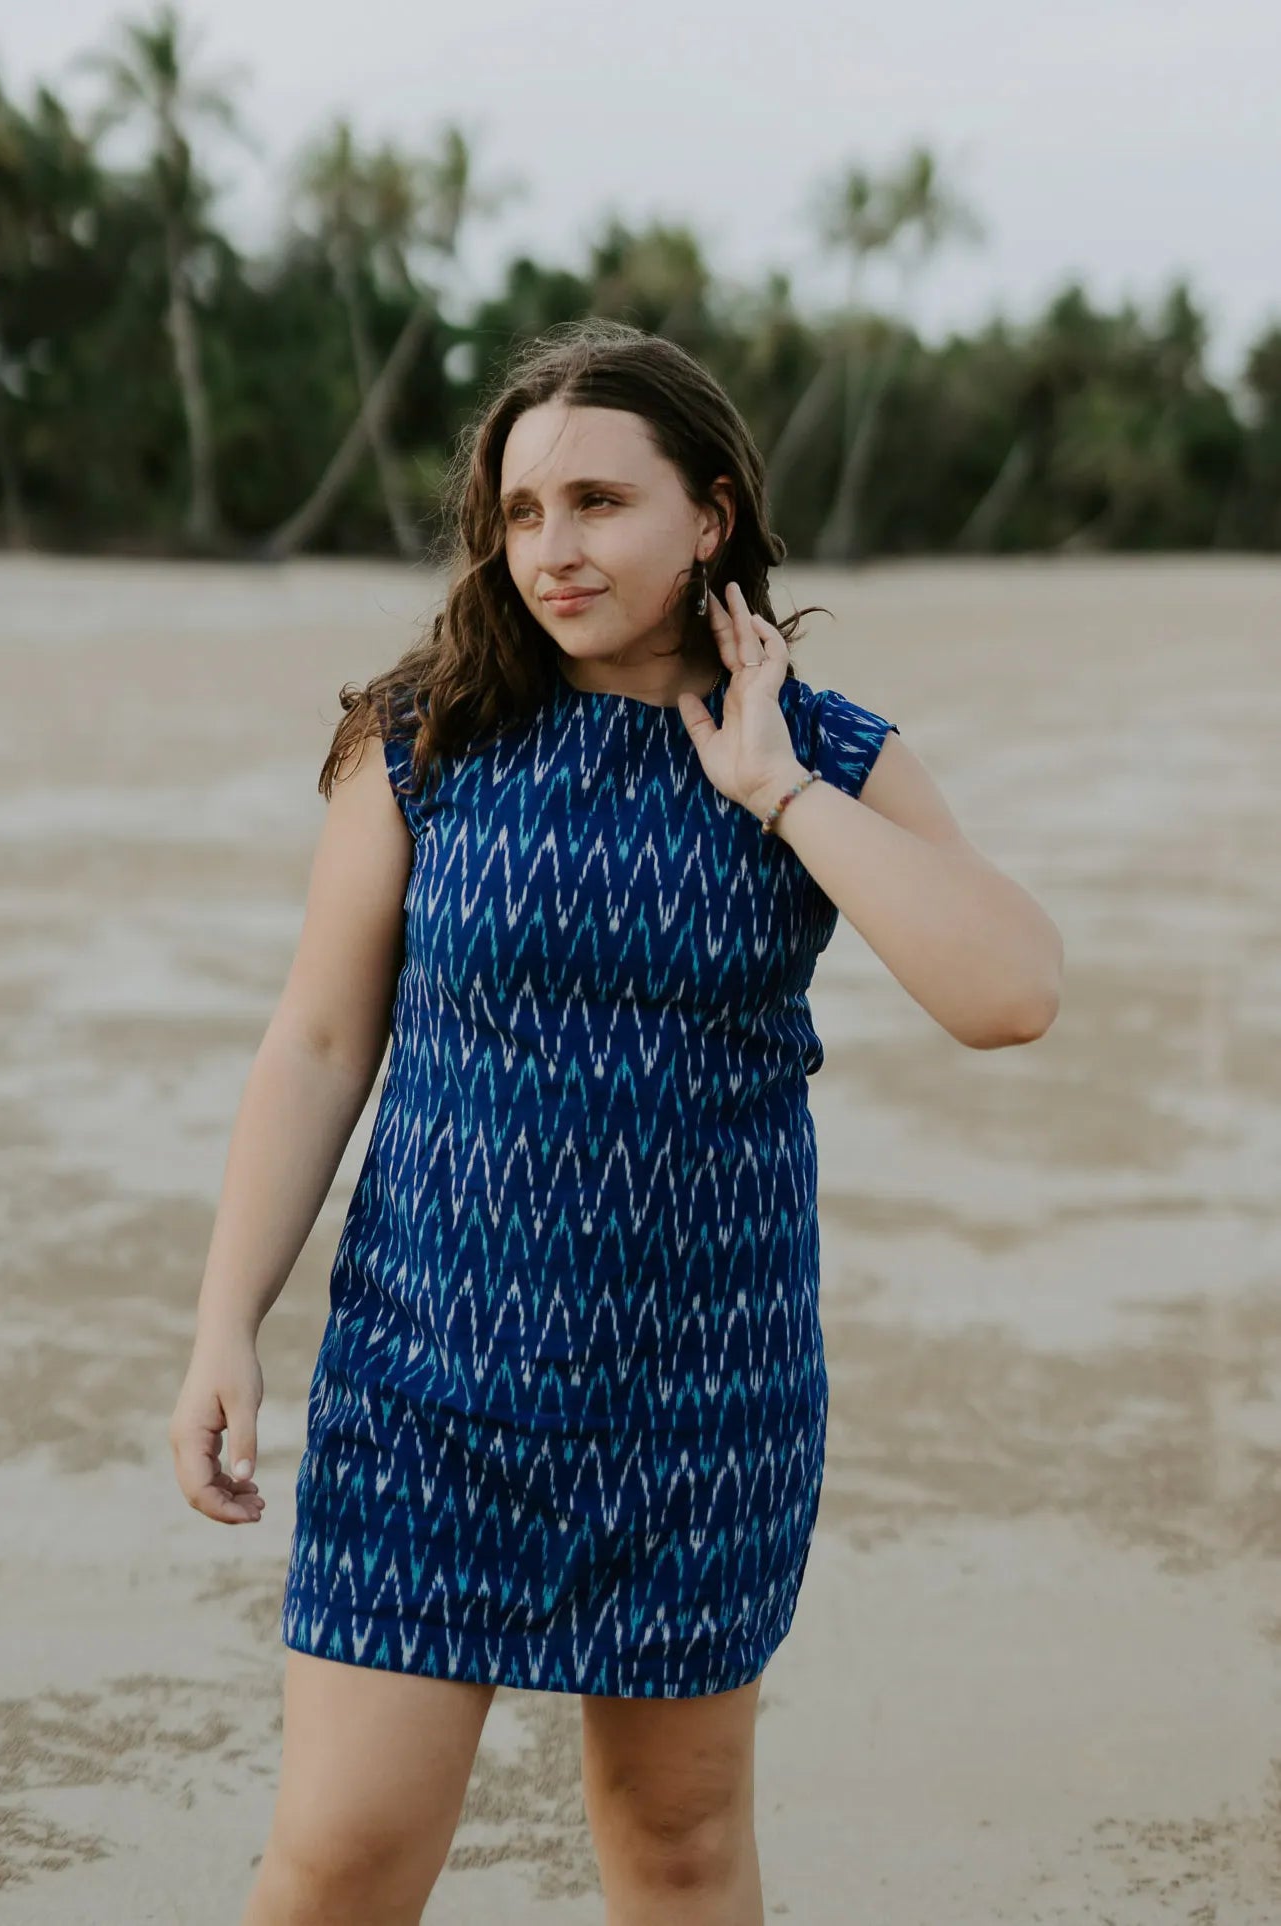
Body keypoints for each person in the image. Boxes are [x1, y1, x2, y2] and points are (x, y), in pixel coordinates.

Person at [169, 318, 1063, 1925]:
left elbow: (1009, 989)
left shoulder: (828, 752)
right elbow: (315, 1040)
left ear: (708, 514)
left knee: (674, 1849)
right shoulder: (420, 737)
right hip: (426, 1380)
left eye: (597, 501)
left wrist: (778, 789)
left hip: (701, 1398)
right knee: (340, 1859)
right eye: (520, 513)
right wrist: (225, 1318)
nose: (552, 549)